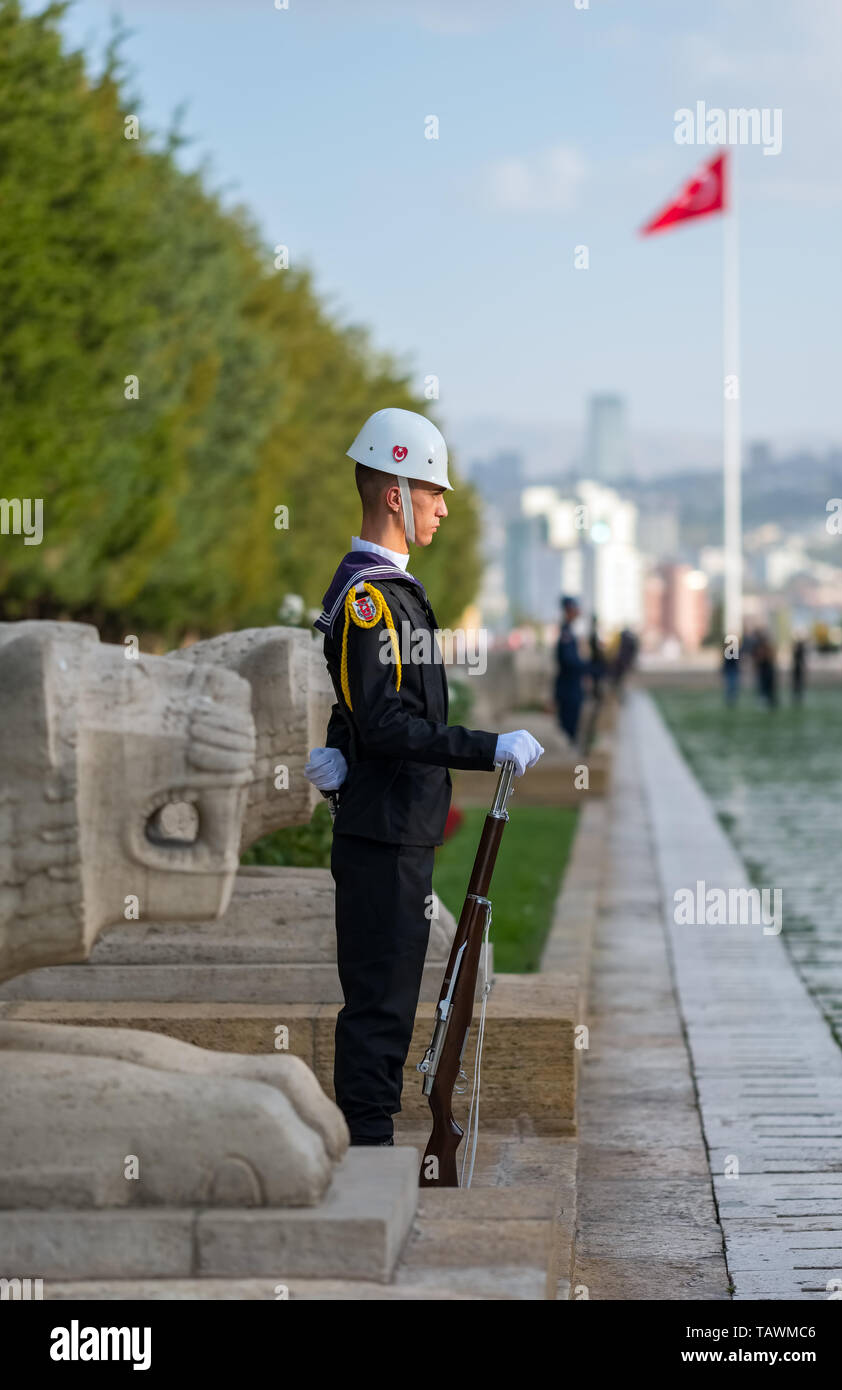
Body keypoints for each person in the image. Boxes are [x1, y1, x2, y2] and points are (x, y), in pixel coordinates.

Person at [303, 407, 543, 1147]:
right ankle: (368, 1150)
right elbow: (388, 723)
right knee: (381, 1003)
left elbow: (367, 707)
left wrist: (341, 744)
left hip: (391, 824)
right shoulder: (374, 596)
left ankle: (371, 1139)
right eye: (432, 490)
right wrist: (487, 745)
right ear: (394, 493)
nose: (443, 505)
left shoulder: (386, 591)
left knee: (394, 995)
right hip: (384, 830)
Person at [554, 596, 584, 743]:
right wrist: (587, 667)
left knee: (572, 728)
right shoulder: (566, 633)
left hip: (572, 687)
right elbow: (569, 661)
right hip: (568, 689)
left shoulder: (570, 631)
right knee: (568, 728)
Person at [791, 633, 807, 704]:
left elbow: (801, 659)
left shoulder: (800, 649)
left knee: (798, 682)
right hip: (797, 667)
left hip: (798, 667)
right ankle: (796, 694)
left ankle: (798, 694)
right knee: (797, 682)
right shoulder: (798, 649)